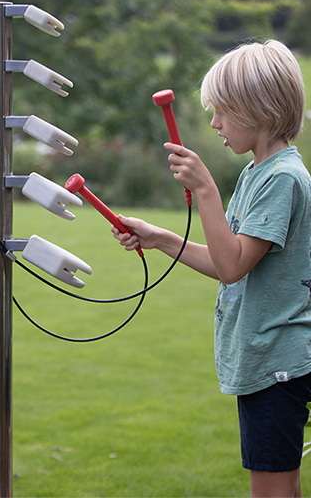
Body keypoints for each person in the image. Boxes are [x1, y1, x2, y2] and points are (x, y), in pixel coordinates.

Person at [112, 40, 311, 498]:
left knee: (273, 492)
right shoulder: (259, 172)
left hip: (276, 363)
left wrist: (205, 191)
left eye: (222, 111)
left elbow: (232, 267)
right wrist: (159, 238)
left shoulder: (281, 177)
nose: (214, 123)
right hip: (267, 357)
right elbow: (228, 260)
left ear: (259, 108)